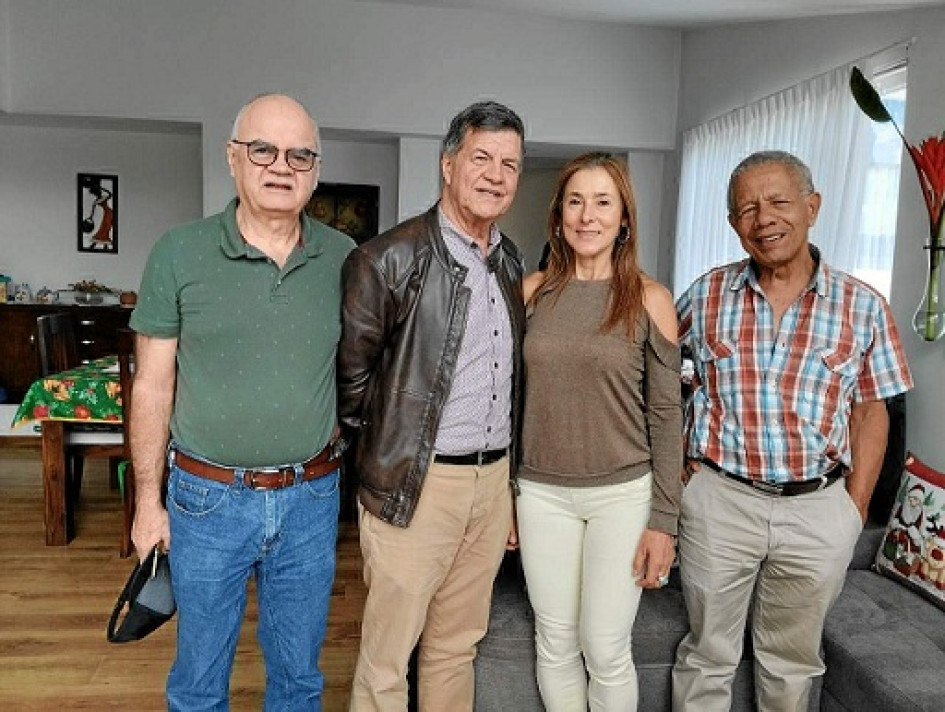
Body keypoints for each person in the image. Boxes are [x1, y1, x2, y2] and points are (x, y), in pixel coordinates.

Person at [129, 93, 355, 711]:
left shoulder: (345, 259)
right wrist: (148, 504)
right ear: (233, 158)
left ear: (315, 169)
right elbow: (151, 385)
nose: (282, 166)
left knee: (299, 680)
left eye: (300, 155)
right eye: (264, 149)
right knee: (199, 683)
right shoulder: (179, 252)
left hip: (311, 499)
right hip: (206, 501)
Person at [672, 150, 913, 711]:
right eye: (747, 209)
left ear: (812, 207)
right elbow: (656, 377)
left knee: (791, 663)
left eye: (779, 202)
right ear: (734, 225)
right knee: (708, 655)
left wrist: (854, 508)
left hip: (818, 508)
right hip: (718, 500)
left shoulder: (864, 306)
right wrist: (679, 464)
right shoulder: (704, 295)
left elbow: (872, 410)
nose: (764, 219)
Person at [338, 100, 526, 712]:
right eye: (481, 158)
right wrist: (392, 461)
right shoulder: (386, 259)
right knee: (389, 657)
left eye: (510, 164)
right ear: (448, 164)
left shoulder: (511, 260)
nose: (496, 175)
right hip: (417, 486)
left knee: (456, 646)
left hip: (491, 483)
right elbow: (352, 386)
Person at [518, 152, 682, 712]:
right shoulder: (531, 293)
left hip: (622, 496)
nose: (588, 215)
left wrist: (665, 520)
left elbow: (666, 415)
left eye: (603, 202)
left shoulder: (651, 299)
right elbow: (506, 403)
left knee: (605, 646)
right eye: (576, 201)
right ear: (559, 215)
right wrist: (502, 497)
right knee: (555, 641)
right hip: (539, 494)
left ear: (624, 218)